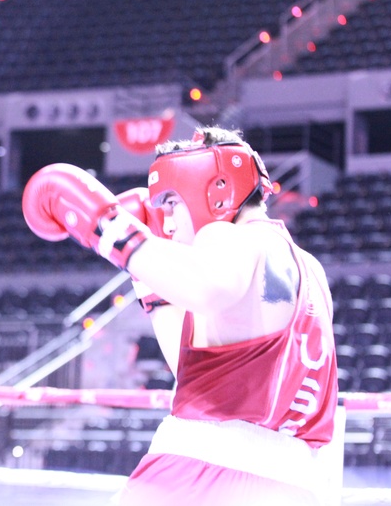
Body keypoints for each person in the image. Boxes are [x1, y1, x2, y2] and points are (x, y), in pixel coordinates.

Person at [22, 126, 339, 506]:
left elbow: (206, 288)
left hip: (200, 471)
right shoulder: (310, 269)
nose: (166, 220)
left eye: (171, 201)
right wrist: (148, 282)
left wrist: (111, 230)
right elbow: (200, 374)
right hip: (296, 485)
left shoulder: (225, 237)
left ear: (215, 189)